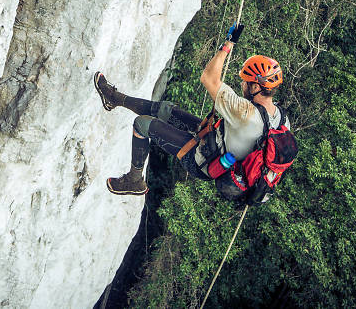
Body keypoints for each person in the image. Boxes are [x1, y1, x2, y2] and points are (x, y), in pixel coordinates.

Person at [95, 25, 284, 196]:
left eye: (246, 81)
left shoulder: (246, 112)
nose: (243, 84)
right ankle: (114, 99)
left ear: (255, 86)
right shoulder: (281, 118)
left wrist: (228, 44)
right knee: (165, 109)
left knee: (142, 124)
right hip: (213, 138)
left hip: (202, 159)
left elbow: (208, 78)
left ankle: (134, 180)